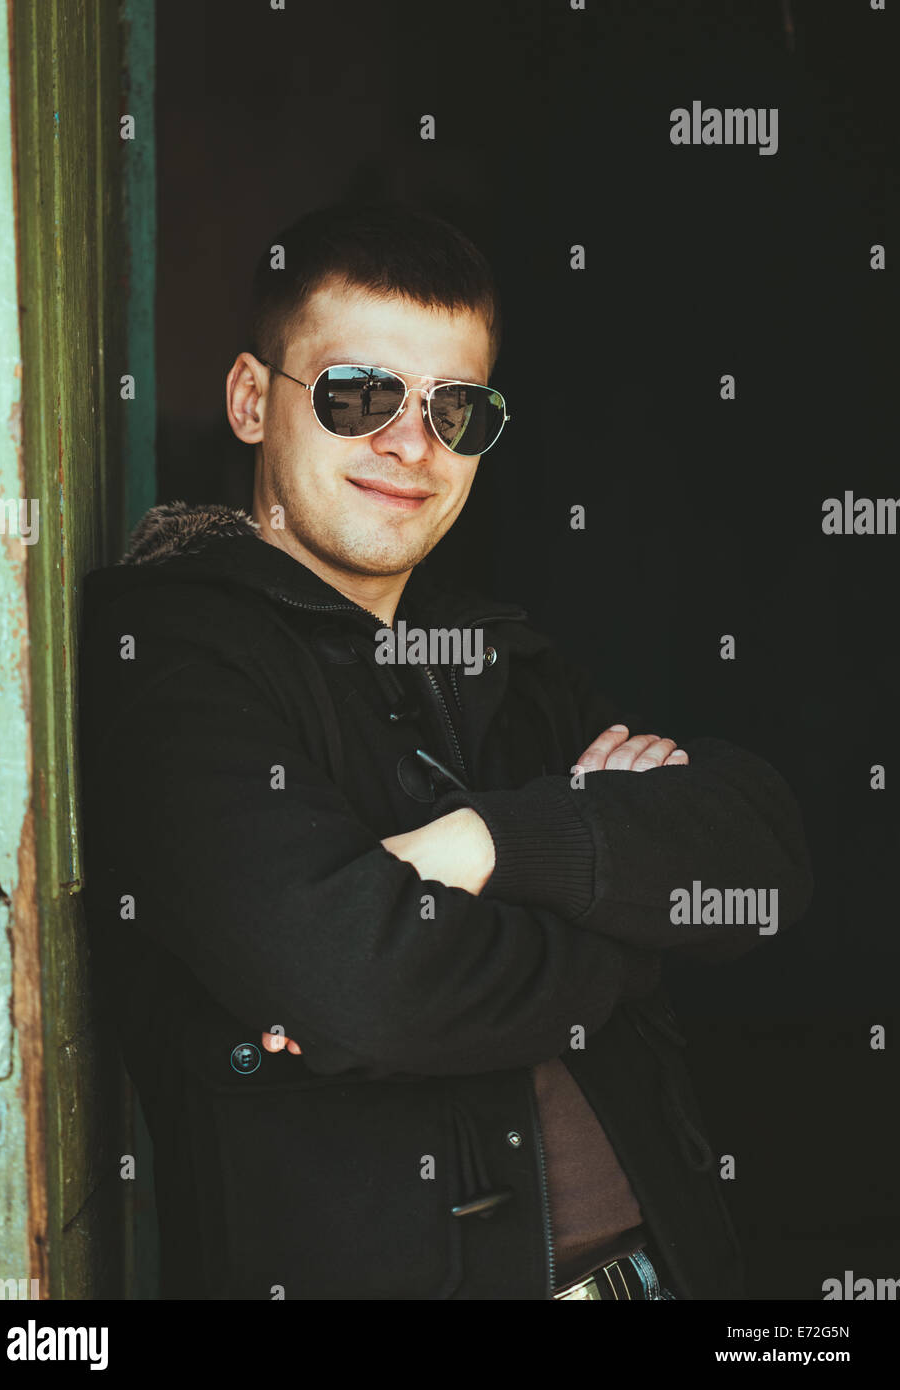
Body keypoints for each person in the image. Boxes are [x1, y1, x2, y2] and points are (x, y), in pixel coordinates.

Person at [78, 199, 813, 1301]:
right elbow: (365, 985)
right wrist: (618, 924)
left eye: (454, 408)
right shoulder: (168, 653)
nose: (410, 443)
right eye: (356, 394)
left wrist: (487, 843)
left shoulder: (491, 649)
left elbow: (761, 862)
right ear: (248, 399)